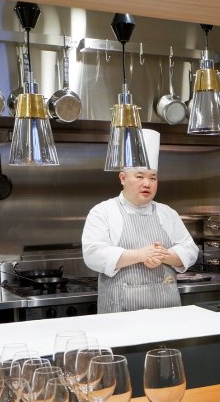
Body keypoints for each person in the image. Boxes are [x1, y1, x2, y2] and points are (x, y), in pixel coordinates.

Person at [82, 129, 199, 313]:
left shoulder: (167, 213)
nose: (147, 183)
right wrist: (140, 255)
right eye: (140, 176)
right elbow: (93, 254)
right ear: (122, 178)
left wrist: (162, 256)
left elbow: (190, 250)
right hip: (120, 314)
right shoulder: (103, 212)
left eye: (153, 178)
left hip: (167, 313)